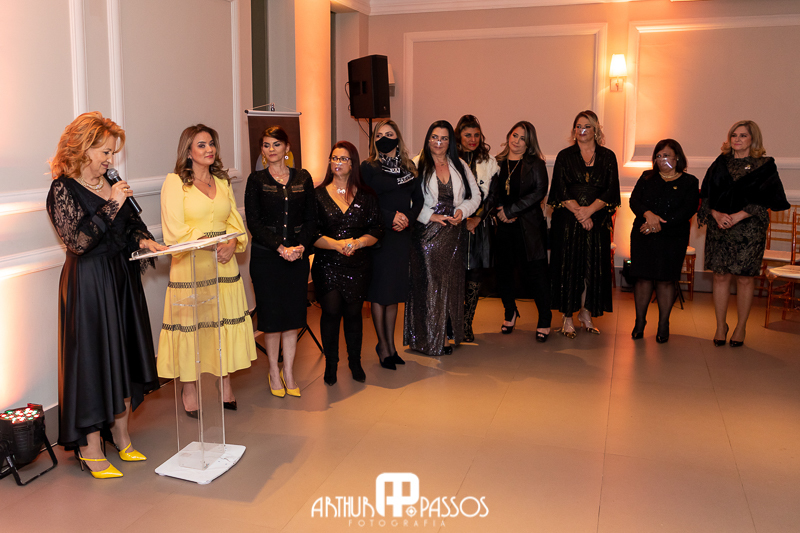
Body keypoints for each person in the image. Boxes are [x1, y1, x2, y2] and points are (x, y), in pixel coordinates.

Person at [46, 112, 165, 478]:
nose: (110, 160)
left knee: (123, 354)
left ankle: (121, 436)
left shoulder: (111, 184)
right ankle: (90, 447)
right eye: (105, 152)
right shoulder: (63, 189)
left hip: (121, 278)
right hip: (89, 284)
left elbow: (131, 226)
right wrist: (112, 203)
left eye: (112, 152)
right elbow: (78, 241)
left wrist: (145, 240)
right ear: (82, 149)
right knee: (94, 360)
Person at [158, 124, 256, 415]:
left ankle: (225, 383)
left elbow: (234, 222)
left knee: (222, 323)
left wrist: (233, 243)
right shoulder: (175, 183)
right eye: (201, 145)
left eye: (211, 143)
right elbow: (174, 229)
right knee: (193, 326)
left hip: (223, 265)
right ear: (188, 151)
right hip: (191, 265)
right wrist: (211, 243)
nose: (209, 149)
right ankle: (189, 387)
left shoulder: (222, 182)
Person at [699, 120, 789, 347]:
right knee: (720, 276)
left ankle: (740, 327)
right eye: (734, 135)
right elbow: (706, 194)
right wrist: (716, 214)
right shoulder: (720, 163)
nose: (737, 139)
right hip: (720, 227)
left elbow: (770, 198)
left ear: (752, 139)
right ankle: (721, 326)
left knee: (745, 278)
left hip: (749, 230)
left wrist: (740, 215)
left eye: (742, 135)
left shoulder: (765, 165)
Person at [245, 126, 315, 397]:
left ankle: (289, 372)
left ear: (287, 147)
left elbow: (311, 219)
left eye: (276, 144)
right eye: (266, 145)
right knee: (272, 317)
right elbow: (254, 222)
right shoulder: (256, 180)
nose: (271, 149)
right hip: (267, 259)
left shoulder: (303, 177)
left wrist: (301, 246)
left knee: (293, 316)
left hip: (297, 258)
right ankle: (274, 371)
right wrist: (280, 247)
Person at [404, 120, 480, 356]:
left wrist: (462, 212)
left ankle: (446, 334)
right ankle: (429, 339)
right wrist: (430, 216)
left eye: (444, 138)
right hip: (426, 234)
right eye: (435, 137)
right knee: (429, 286)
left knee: (450, 285)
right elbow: (408, 199)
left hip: (454, 234)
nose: (439, 142)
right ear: (428, 139)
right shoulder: (417, 164)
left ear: (451, 142)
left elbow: (476, 196)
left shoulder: (460, 164)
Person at [313, 141, 383, 385]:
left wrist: (359, 243)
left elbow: (377, 229)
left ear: (353, 163)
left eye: (344, 159)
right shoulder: (318, 195)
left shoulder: (367, 195)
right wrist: (336, 244)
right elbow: (312, 234)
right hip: (327, 264)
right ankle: (331, 364)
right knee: (331, 312)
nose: (338, 163)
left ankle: (355, 362)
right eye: (334, 158)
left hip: (358, 265)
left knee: (353, 314)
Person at [548, 110, 620, 338]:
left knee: (592, 268)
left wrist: (590, 211)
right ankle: (567, 317)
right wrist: (580, 213)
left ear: (596, 129)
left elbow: (611, 190)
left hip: (597, 220)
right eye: (578, 126)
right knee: (569, 267)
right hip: (568, 221)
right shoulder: (564, 156)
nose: (582, 130)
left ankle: (586, 313)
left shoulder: (608, 156)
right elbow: (560, 189)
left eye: (587, 126)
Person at [362, 119, 422, 369]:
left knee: (394, 292)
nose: (384, 139)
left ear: (397, 137)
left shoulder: (409, 167)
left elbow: (419, 200)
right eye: (378, 136)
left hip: (401, 235)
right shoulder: (369, 167)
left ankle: (391, 347)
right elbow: (366, 201)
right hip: (380, 234)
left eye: (388, 134)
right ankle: (383, 346)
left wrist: (407, 218)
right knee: (380, 292)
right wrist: (390, 218)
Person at [485, 121, 552, 342]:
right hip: (503, 226)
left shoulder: (536, 164)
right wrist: (499, 211)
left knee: (536, 274)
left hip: (529, 228)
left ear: (529, 143)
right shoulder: (497, 162)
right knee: (504, 272)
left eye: (523, 138)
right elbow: (490, 193)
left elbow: (539, 192)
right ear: (509, 136)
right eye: (515, 135)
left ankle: (545, 318)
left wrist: (511, 210)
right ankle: (510, 312)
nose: (517, 141)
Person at [629, 139, 699, 343]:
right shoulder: (647, 177)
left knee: (666, 280)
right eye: (658, 156)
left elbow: (688, 209)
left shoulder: (690, 181)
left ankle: (663, 324)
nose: (661, 159)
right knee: (643, 278)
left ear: (677, 157)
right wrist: (648, 215)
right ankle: (640, 322)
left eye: (666, 155)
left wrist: (658, 224)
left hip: (672, 237)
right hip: (643, 234)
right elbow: (634, 201)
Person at [455, 115, 499, 342]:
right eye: (467, 135)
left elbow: (492, 197)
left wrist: (477, 219)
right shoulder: (449, 160)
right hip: (455, 225)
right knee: (455, 274)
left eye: (476, 135)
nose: (473, 139)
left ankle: (466, 322)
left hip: (480, 226)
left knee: (475, 274)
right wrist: (463, 218)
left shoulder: (489, 162)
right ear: (459, 137)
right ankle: (451, 322)